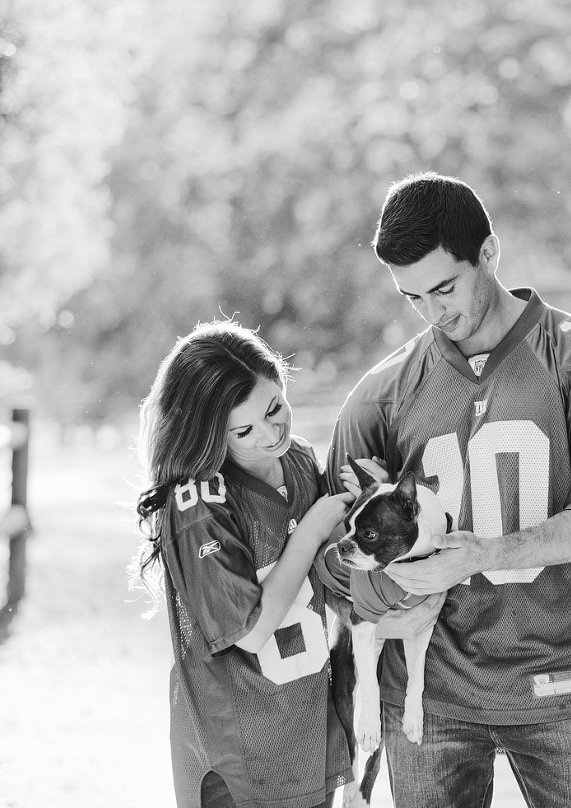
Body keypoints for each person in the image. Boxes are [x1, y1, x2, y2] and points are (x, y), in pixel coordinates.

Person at [326, 172, 571, 807]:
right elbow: (336, 546)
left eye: (445, 287)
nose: (433, 311)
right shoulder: (381, 391)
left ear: (490, 253)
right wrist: (383, 603)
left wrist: (483, 555)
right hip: (429, 691)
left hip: (561, 678)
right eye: (412, 296)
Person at [133, 321, 356, 808]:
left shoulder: (298, 461)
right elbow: (252, 631)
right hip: (239, 755)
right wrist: (315, 526)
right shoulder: (199, 504)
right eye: (244, 429)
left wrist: (361, 503)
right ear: (210, 432)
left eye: (275, 407)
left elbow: (330, 573)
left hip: (306, 731)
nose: (271, 433)